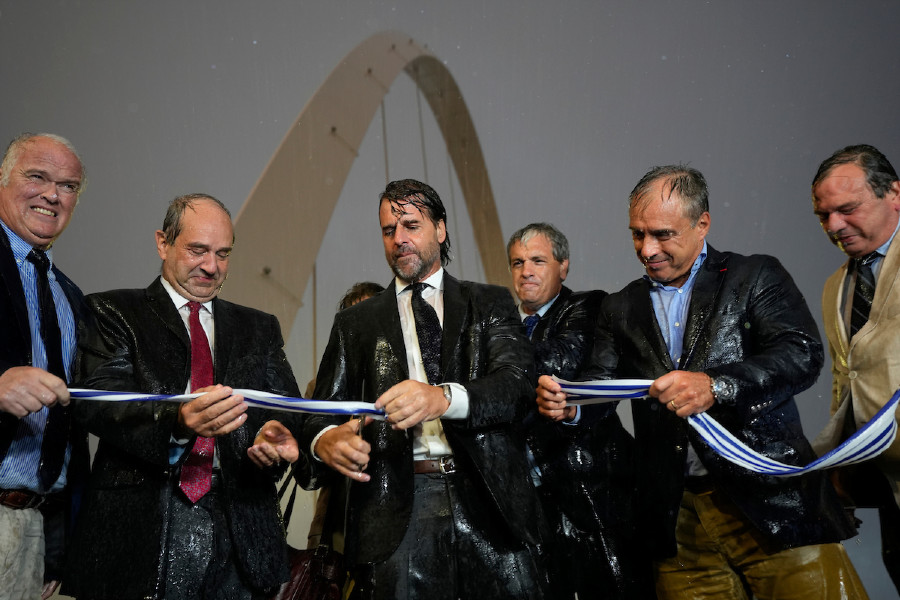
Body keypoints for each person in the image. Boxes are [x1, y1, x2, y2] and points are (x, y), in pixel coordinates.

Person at [538, 165, 866, 599]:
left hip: (773, 503)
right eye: (637, 234)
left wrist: (716, 385)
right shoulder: (620, 307)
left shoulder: (755, 276)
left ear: (702, 224)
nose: (647, 249)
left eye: (662, 234)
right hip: (678, 520)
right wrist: (571, 405)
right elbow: (600, 386)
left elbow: (801, 353)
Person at [301, 179, 548, 599]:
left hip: (491, 503)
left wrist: (442, 397)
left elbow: (518, 385)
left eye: (411, 226)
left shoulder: (488, 303)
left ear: (440, 229)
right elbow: (317, 415)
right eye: (387, 231)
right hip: (397, 511)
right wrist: (325, 439)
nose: (399, 239)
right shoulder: (356, 324)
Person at [64, 194, 304, 600]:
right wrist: (179, 422)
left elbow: (286, 410)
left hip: (241, 531)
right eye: (198, 250)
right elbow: (100, 403)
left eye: (223, 254)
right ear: (163, 243)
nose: (212, 267)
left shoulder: (258, 327)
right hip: (142, 529)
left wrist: (275, 436)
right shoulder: (113, 311)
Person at [507, 222, 647, 599]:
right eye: (518, 263)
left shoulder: (588, 306)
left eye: (538, 260)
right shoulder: (503, 326)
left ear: (563, 266)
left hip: (594, 495)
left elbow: (557, 365)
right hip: (533, 503)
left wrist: (493, 370)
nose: (527, 271)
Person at [0, 132, 89, 600]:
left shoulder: (70, 296)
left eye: (68, 185)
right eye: (37, 176)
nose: (53, 195)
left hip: (39, 529)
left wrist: (57, 544)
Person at [811, 144, 900, 593]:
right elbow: (847, 383)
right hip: (885, 481)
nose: (834, 226)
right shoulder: (835, 286)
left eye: (847, 209)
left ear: (895, 194)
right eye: (823, 216)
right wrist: (838, 471)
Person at [305, 280, 385, 549]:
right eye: (352, 320)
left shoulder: (410, 382)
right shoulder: (321, 386)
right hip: (335, 521)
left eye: (370, 316)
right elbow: (306, 465)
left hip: (395, 514)